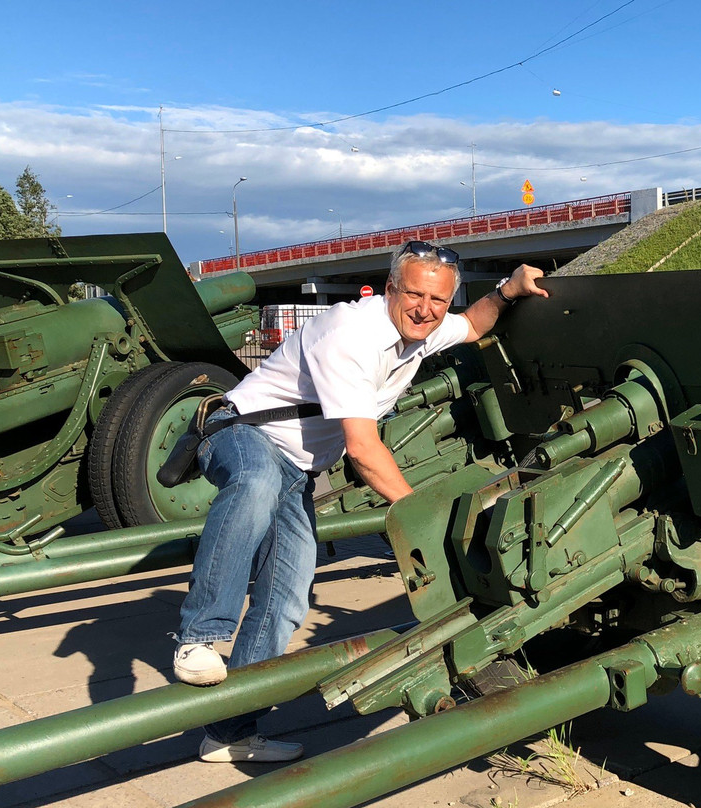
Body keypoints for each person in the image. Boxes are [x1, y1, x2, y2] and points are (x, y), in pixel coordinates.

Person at [172, 240, 548, 763]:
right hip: (239, 432)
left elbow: (475, 325)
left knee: (285, 599)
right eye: (414, 294)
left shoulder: (428, 325)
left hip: (296, 469)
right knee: (254, 484)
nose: (426, 309)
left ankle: (229, 733)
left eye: (438, 299)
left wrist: (508, 290)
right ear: (391, 289)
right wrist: (421, 515)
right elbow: (363, 450)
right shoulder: (351, 334)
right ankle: (199, 638)